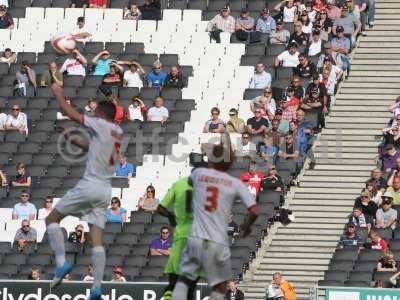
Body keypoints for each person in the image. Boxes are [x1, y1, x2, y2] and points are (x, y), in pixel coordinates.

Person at [46, 84, 123, 300]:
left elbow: (71, 114)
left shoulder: (100, 123)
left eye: (95, 110)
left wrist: (58, 93)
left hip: (89, 185)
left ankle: (61, 264)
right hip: (105, 190)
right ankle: (97, 288)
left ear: (101, 114)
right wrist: (70, 138)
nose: (93, 112)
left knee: (52, 218)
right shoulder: (118, 132)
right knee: (96, 239)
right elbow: (91, 147)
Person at [172, 142, 259, 300]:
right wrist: (247, 226)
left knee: (184, 280)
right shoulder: (236, 183)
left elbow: (190, 184)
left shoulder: (198, 174)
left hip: (197, 236)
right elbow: (254, 210)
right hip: (218, 240)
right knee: (219, 285)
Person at [156, 176, 195, 300]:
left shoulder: (178, 184)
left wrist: (170, 215)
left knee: (173, 280)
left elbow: (160, 208)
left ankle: (169, 293)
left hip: (180, 238)